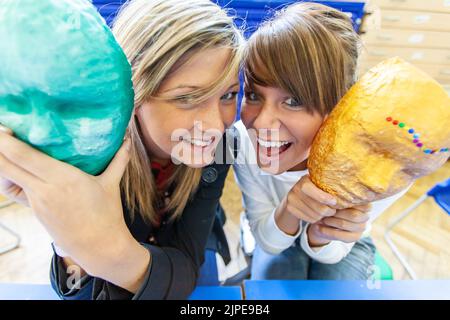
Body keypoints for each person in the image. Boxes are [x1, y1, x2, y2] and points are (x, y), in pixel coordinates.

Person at [0, 0, 244, 299]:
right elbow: (80, 290)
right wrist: (71, 243)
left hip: (194, 238)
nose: (216, 125)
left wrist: (111, 254)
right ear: (135, 92)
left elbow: (187, 265)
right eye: (188, 98)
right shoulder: (94, 155)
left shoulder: (222, 145)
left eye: (228, 95)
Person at [233, 2, 408, 280]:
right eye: (253, 95)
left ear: (339, 108)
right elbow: (269, 242)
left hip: (344, 244)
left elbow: (333, 251)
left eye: (293, 101)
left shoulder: (376, 165)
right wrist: (290, 208)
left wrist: (320, 233)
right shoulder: (242, 140)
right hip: (272, 227)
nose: (261, 123)